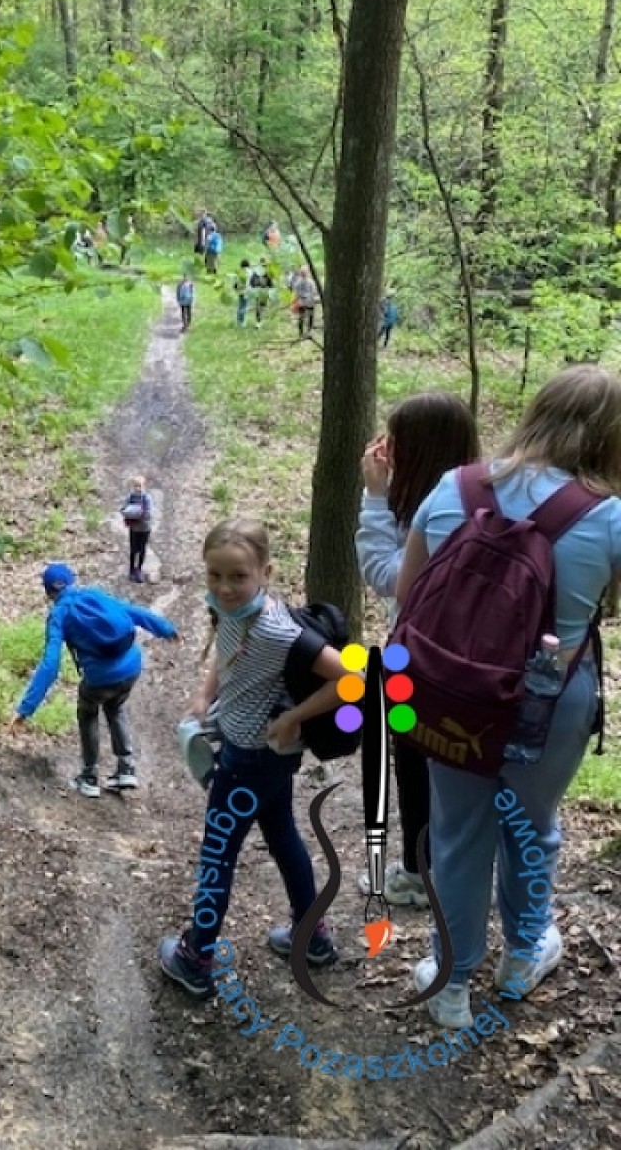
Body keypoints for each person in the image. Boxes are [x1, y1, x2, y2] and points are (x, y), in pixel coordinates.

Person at [394, 365, 621, 1029]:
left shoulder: (454, 486)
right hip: (551, 702)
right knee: (531, 825)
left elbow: (409, 596)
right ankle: (522, 957)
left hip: (450, 692)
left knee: (458, 831)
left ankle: (450, 983)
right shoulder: (608, 516)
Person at [158, 519, 346, 998]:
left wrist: (294, 717)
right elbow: (229, 654)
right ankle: (312, 937)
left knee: (217, 857)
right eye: (215, 575)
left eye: (238, 576)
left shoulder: (278, 631)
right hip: (265, 762)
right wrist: (205, 696)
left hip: (249, 764)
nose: (225, 587)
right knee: (283, 838)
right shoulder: (234, 609)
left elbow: (351, 679)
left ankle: (196, 958)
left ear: (265, 572)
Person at [355, 392, 480, 907]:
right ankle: (444, 867)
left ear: (421, 449)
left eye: (397, 439)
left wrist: (373, 498)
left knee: (413, 758)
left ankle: (418, 873)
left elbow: (387, 576)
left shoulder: (437, 509)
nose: (387, 447)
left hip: (423, 658)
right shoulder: (479, 497)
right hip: (476, 657)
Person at [11, 563, 179, 797]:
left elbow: (50, 665)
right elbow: (132, 611)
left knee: (88, 712)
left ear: (49, 593)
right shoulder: (95, 594)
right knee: (115, 706)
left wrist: (25, 710)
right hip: (131, 667)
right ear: (72, 581)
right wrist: (166, 629)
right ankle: (126, 768)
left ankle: (89, 776)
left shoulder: (58, 615)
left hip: (99, 680)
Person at [121, 475, 153, 582]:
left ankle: (139, 569)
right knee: (133, 549)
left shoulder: (147, 498)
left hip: (145, 528)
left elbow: (148, 514)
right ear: (133, 486)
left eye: (140, 486)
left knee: (142, 549)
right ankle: (131, 570)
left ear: (144, 486)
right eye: (136, 486)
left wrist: (135, 513)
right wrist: (131, 512)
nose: (138, 488)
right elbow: (123, 509)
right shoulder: (130, 497)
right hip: (134, 529)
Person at [292, 265, 318, 339]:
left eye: (304, 272)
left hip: (307, 302)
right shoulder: (300, 282)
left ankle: (306, 333)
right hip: (304, 302)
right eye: (303, 272)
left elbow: (314, 291)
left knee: (308, 317)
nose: (304, 273)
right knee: (303, 317)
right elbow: (314, 291)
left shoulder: (308, 281)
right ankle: (303, 333)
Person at [235, 259, 251, 327]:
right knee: (244, 306)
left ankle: (238, 321)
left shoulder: (240, 271)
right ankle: (242, 321)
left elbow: (236, 282)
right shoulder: (249, 272)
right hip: (247, 291)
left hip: (240, 291)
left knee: (240, 305)